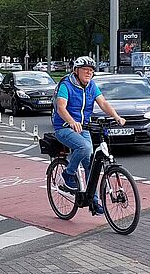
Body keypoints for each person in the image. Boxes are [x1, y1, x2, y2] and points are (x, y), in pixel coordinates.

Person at [52, 56, 126, 214]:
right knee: (85, 148)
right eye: (85, 70)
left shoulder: (92, 86)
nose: (89, 73)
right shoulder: (66, 85)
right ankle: (68, 173)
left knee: (90, 165)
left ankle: (93, 201)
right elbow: (61, 107)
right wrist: (71, 121)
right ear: (76, 71)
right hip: (64, 127)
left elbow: (103, 103)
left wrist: (117, 117)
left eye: (91, 71)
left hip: (83, 127)